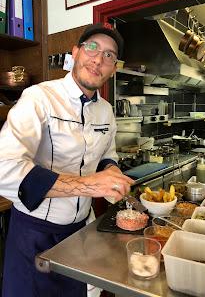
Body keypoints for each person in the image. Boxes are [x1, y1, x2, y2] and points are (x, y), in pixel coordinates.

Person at [0, 22, 135, 297]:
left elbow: (106, 156)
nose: (99, 59)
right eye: (92, 47)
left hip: (79, 234)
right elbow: (4, 170)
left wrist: (112, 175)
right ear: (76, 52)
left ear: (113, 69)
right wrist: (89, 186)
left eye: (109, 55)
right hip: (33, 235)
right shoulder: (39, 98)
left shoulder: (106, 111)